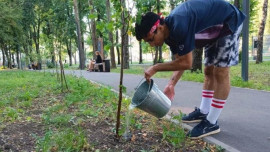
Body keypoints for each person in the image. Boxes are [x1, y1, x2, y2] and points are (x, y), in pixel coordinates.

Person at [135, 0, 245, 139]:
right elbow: (181, 61)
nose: (151, 45)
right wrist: (171, 84)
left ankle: (211, 122)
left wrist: (156, 68)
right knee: (208, 71)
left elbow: (187, 63)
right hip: (213, 29)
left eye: (151, 39)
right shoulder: (169, 35)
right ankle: (204, 111)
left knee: (220, 72)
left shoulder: (179, 25)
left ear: (160, 28)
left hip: (227, 21)